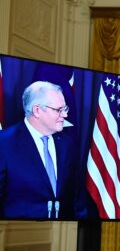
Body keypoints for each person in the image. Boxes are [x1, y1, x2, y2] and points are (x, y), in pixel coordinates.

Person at [0, 81, 79, 219]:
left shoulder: (67, 144)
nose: (65, 115)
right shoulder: (4, 143)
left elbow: (77, 198)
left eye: (65, 108)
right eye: (58, 110)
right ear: (37, 110)